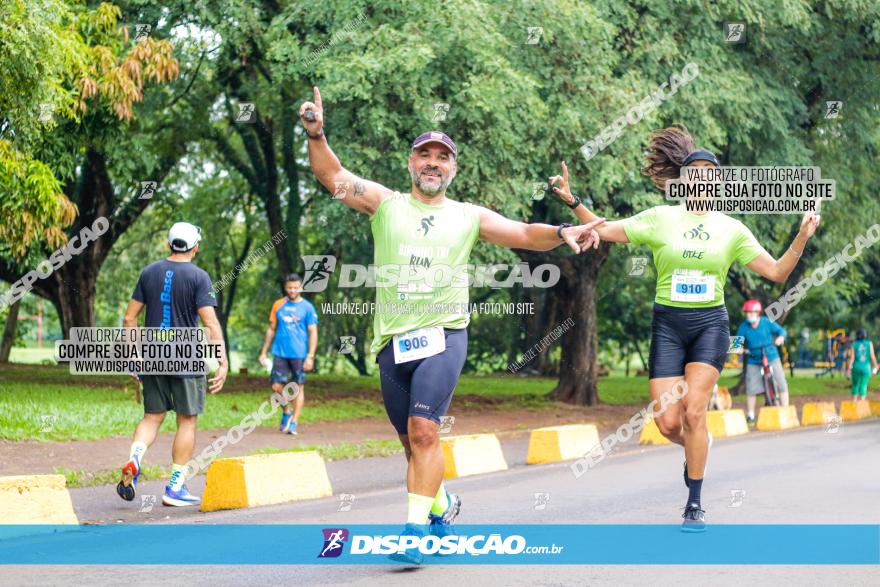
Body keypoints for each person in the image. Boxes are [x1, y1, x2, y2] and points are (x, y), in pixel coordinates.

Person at [299, 86, 603, 564]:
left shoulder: (468, 216)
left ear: (453, 168)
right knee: (411, 445)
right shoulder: (385, 203)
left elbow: (524, 233)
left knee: (424, 431)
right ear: (411, 164)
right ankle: (442, 505)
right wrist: (316, 133)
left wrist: (563, 231)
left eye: (443, 157)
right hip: (392, 343)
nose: (433, 163)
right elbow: (332, 175)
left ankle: (414, 534)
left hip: (444, 336)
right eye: (425, 155)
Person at [549, 125, 820, 531]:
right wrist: (572, 200)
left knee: (695, 411)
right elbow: (604, 230)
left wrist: (801, 236)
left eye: (710, 174)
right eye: (695, 173)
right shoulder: (660, 219)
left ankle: (694, 503)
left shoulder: (731, 228)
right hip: (669, 326)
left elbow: (779, 273)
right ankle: (699, 446)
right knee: (668, 424)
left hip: (710, 325)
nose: (702, 180)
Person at [117, 222, 228, 507]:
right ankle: (175, 487)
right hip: (186, 356)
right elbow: (209, 322)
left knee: (152, 417)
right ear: (195, 247)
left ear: (169, 244)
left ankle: (135, 458)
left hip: (153, 354)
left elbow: (130, 319)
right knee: (186, 420)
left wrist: (134, 356)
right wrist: (221, 360)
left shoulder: (149, 272)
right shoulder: (200, 277)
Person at [258, 273, 318, 435]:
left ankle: (294, 423)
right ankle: (287, 410)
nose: (292, 290)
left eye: (296, 287)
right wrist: (263, 352)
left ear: (301, 287)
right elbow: (271, 329)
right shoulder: (278, 305)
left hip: (299, 354)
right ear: (285, 287)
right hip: (280, 353)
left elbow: (313, 332)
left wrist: (310, 356)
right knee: (276, 386)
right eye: (290, 287)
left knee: (298, 387)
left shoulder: (307, 307)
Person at [735, 299, 789, 423]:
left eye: (752, 313)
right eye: (748, 313)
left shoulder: (766, 322)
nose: (750, 315)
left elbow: (782, 331)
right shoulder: (743, 327)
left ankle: (786, 410)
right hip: (753, 359)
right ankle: (751, 415)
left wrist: (780, 337)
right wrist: (739, 349)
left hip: (771, 356)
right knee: (751, 387)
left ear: (758, 313)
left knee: (781, 382)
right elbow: (736, 344)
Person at [846, 329, 878, 401]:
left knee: (855, 385)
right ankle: (861, 405)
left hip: (856, 367)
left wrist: (848, 369)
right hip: (866, 368)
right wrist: (876, 366)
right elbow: (872, 356)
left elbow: (852, 358)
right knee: (864, 385)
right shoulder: (869, 343)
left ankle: (854, 405)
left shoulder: (854, 344)